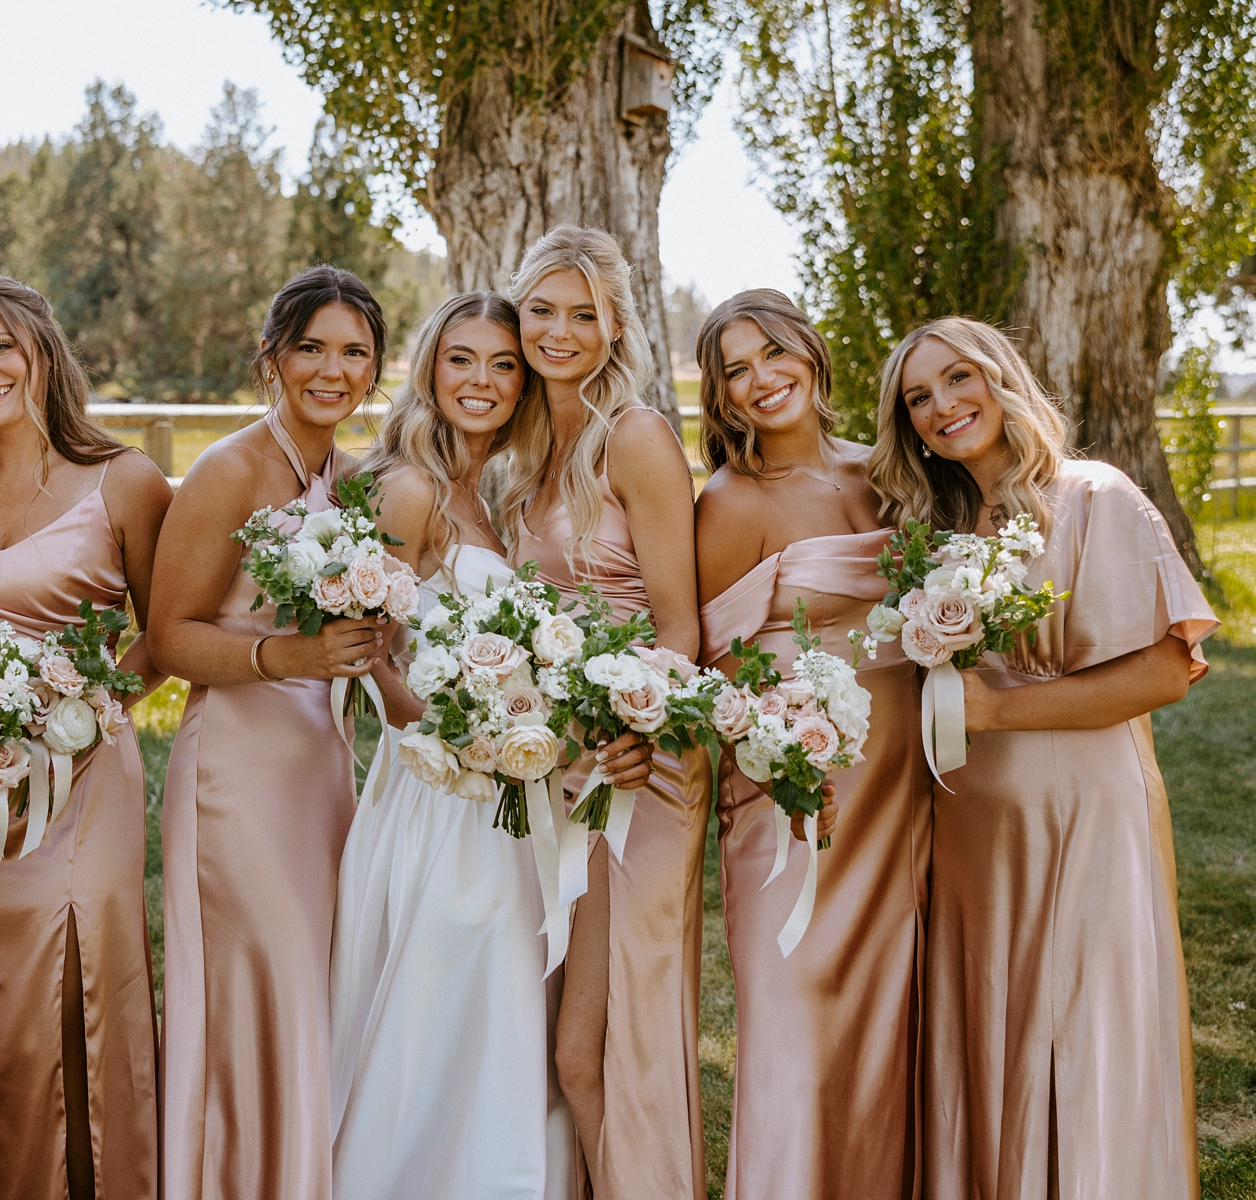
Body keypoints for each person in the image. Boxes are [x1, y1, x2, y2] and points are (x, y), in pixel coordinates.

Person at [869, 316, 1215, 1200]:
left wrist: (998, 708)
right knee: (995, 1022)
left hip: (1087, 816)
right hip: (973, 831)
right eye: (918, 397)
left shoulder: (1094, 495)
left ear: (1000, 377)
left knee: (1085, 1020)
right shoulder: (936, 528)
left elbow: (1166, 673)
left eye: (958, 378)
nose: (942, 405)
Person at [328, 291, 654, 1199]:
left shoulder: (496, 494)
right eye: (461, 360)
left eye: (504, 364)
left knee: (508, 1001)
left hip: (512, 791)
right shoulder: (409, 488)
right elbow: (366, 652)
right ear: (430, 369)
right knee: (447, 996)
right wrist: (452, 737)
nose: (482, 381)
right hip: (442, 794)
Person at [0, 275, 172, 1200]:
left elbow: (161, 637)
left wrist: (77, 721)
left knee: (82, 984)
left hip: (87, 771)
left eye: (1, 348)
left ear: (42, 352)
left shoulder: (124, 481)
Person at [147, 265, 391, 1200]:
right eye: (312, 349)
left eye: (355, 353)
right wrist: (289, 656)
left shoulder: (355, 480)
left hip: (322, 771)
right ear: (273, 357)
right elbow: (169, 636)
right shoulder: (230, 470)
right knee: (258, 986)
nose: (334, 371)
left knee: (312, 988)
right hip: (237, 777)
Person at [692, 289, 923, 1200]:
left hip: (905, 790)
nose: (761, 380)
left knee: (888, 1019)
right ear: (720, 395)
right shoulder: (731, 501)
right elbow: (712, 667)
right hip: (791, 798)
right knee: (794, 1017)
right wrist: (783, 760)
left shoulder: (889, 472)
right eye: (736, 371)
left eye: (774, 353)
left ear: (811, 353)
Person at [500, 225, 710, 1198]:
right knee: (563, 1044)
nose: (559, 331)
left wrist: (632, 727)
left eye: (583, 314)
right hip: (552, 769)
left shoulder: (635, 437)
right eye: (541, 309)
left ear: (616, 325)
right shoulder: (523, 450)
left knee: (601, 1046)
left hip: (635, 769)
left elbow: (681, 625)